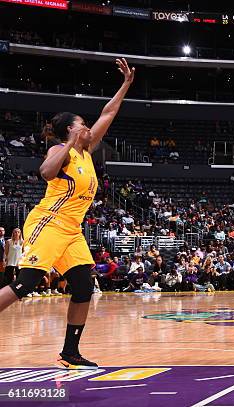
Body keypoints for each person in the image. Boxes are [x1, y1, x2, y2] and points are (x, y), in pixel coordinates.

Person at [0, 58, 134, 370]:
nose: (88, 127)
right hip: (48, 222)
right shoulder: (60, 151)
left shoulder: (87, 151)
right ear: (69, 130)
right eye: (81, 124)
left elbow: (108, 113)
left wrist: (125, 85)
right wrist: (68, 144)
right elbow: (45, 173)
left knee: (84, 287)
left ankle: (70, 352)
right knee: (25, 284)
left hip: (71, 230)